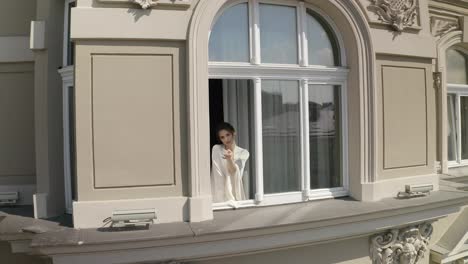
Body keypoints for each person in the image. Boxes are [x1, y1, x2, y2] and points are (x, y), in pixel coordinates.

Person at [211, 122, 250, 204]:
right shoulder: (216, 149)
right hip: (218, 194)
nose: (226, 139)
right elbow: (217, 174)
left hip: (235, 194)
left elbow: (234, 171)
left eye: (228, 135)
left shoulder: (243, 152)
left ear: (233, 133)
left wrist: (229, 159)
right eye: (222, 137)